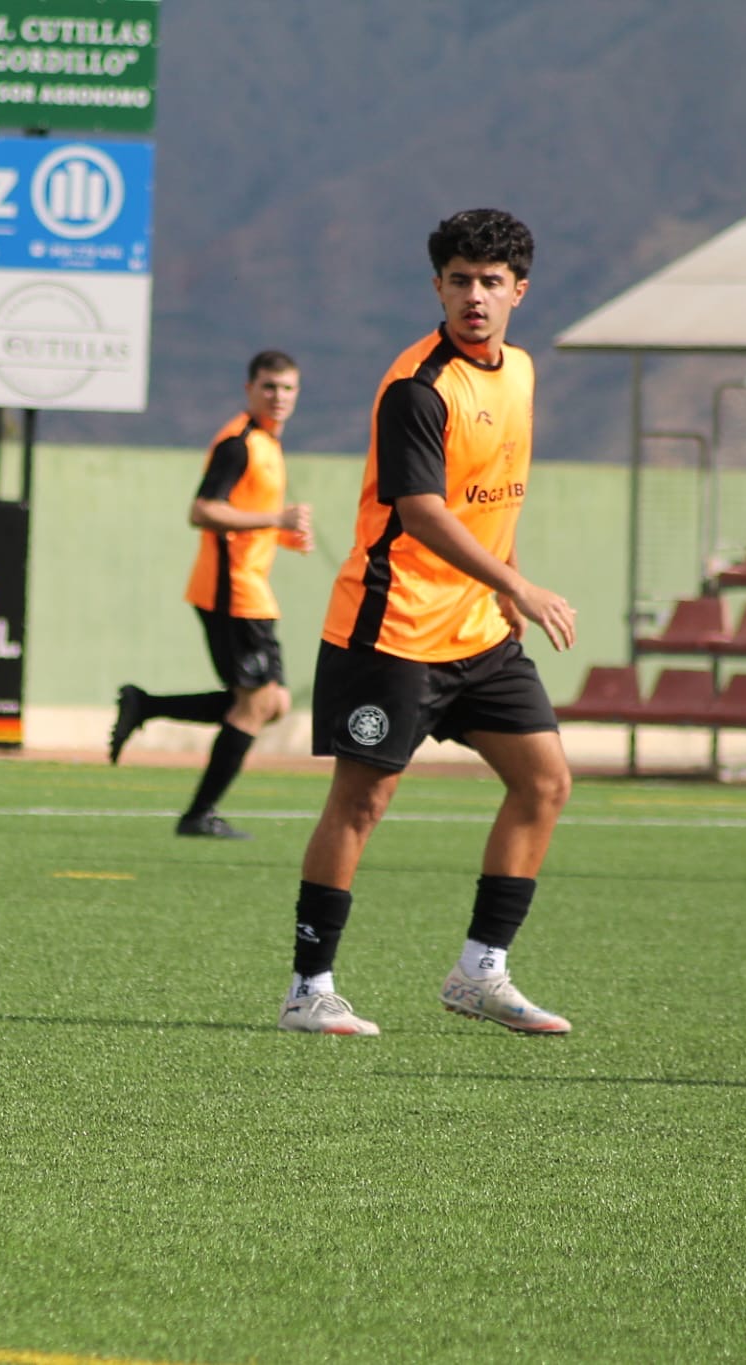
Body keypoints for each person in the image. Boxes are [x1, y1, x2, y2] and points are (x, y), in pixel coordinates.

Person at [279, 209, 576, 1038]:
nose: (475, 295)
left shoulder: (520, 371)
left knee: (545, 781)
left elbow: (496, 496)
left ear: (519, 291)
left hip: (480, 631)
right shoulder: (419, 385)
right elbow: (422, 511)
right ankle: (308, 989)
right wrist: (519, 583)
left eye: (491, 282)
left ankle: (481, 971)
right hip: (393, 627)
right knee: (361, 803)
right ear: (438, 287)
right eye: (460, 280)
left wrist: (503, 589)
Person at [110, 351, 313, 839]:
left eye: (287, 388)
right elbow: (202, 511)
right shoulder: (238, 444)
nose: (279, 396)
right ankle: (199, 814)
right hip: (231, 591)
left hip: (252, 588)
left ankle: (145, 706)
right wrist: (276, 518)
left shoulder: (268, 442)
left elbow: (242, 516)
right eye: (269, 387)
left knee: (272, 703)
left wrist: (283, 533)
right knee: (256, 703)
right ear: (249, 389)